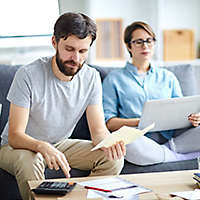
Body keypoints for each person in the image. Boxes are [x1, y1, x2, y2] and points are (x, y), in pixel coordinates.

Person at [0, 12, 126, 200]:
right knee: (30, 160)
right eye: (69, 49)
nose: (75, 58)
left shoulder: (91, 77)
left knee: (112, 159)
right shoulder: (27, 74)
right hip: (17, 148)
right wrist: (42, 146)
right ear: (54, 42)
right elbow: (15, 135)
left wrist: (109, 143)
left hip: (59, 144)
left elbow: (98, 130)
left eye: (83, 51)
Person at [102, 21, 200, 166]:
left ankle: (163, 153)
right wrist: (143, 122)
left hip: (172, 138)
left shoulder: (168, 77)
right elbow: (109, 123)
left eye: (149, 40)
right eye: (138, 42)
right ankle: (176, 156)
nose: (145, 46)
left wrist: (193, 118)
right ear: (129, 46)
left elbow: (181, 111)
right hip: (138, 139)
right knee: (126, 144)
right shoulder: (114, 79)